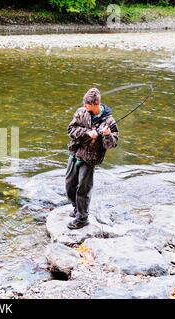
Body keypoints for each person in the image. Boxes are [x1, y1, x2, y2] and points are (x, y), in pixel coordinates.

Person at [65, 88, 119, 230]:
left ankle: (82, 219)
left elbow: (112, 144)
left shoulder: (109, 121)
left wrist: (107, 134)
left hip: (90, 158)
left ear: (95, 104)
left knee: (83, 188)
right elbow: (71, 130)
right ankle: (77, 208)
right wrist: (87, 133)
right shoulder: (81, 112)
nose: (84, 106)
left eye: (86, 104)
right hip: (75, 152)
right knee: (69, 185)